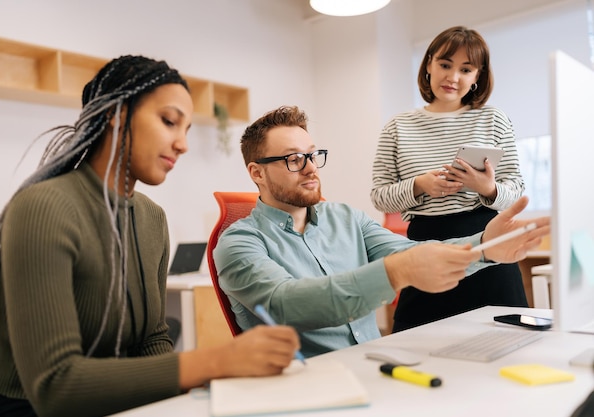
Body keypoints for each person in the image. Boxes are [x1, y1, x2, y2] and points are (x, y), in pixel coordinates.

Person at [0, 56, 299, 417]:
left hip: (116, 402)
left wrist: (182, 403)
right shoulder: (43, 207)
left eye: (186, 130)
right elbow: (55, 385)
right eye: (170, 121)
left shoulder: (151, 217)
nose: (182, 144)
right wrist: (214, 362)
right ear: (117, 115)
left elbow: (152, 338)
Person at [213, 105, 549, 359]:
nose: (311, 168)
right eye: (293, 159)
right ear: (256, 172)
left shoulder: (344, 217)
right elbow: (288, 304)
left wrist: (487, 246)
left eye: (313, 156)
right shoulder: (238, 243)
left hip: (374, 365)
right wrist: (395, 272)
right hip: (306, 384)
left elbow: (410, 254)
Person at [370, 26, 528, 332]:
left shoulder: (494, 119)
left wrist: (488, 188)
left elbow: (517, 190)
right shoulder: (397, 127)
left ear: (477, 77)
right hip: (425, 243)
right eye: (445, 64)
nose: (453, 77)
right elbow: (379, 195)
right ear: (428, 64)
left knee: (504, 343)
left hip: (488, 238)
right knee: (418, 343)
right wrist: (420, 185)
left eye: (465, 69)